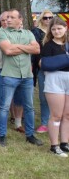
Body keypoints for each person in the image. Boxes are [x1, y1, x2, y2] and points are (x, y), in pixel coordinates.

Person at [0, 9, 42, 147]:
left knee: (29, 107)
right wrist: (26, 47)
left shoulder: (28, 33)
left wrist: (16, 46)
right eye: (7, 17)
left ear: (20, 19)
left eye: (11, 17)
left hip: (27, 76)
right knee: (4, 107)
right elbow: (8, 51)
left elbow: (37, 50)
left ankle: (30, 135)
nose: (8, 19)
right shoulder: (2, 32)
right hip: (9, 75)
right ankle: (2, 135)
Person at [40, 16, 69, 157]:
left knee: (67, 115)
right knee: (56, 115)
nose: (57, 31)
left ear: (65, 28)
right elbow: (45, 65)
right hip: (54, 79)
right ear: (50, 31)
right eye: (54, 29)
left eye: (59, 28)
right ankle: (54, 145)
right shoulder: (48, 45)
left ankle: (65, 143)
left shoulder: (68, 44)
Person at [32, 9, 54, 134]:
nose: (48, 20)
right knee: (43, 96)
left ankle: (58, 121)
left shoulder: (58, 31)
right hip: (43, 68)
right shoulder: (36, 32)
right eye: (45, 18)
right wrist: (39, 61)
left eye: (50, 17)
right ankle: (45, 122)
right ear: (41, 19)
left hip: (60, 69)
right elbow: (36, 49)